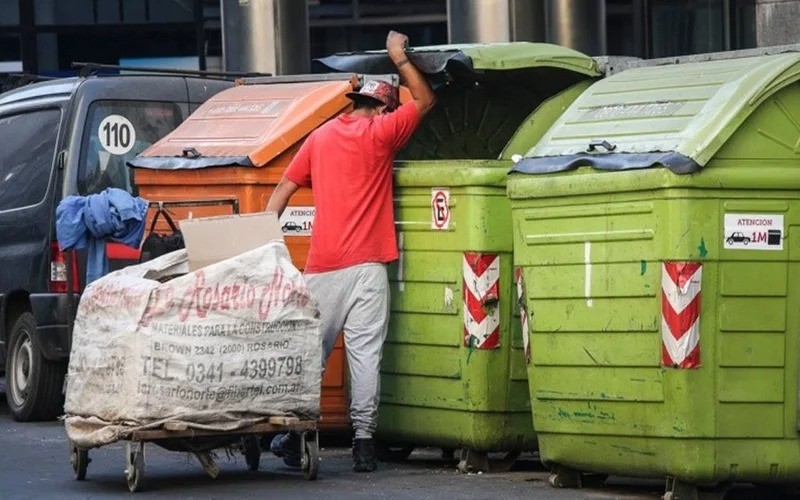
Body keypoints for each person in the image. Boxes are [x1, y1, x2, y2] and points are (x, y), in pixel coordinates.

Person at [265, 30, 436, 472]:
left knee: (309, 354)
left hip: (322, 268)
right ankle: (363, 443)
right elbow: (424, 101)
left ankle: (295, 432)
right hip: (369, 269)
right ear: (380, 107)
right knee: (364, 354)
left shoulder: (319, 138)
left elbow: (283, 188)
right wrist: (399, 56)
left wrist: (263, 238)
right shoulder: (380, 134)